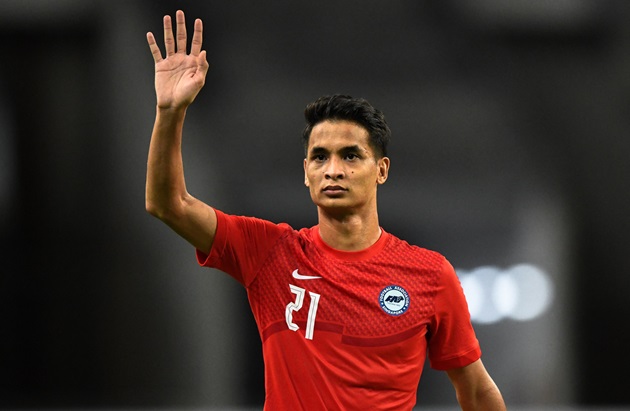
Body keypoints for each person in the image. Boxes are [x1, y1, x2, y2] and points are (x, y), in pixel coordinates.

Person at [145, 10, 507, 411]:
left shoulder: (430, 275)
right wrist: (170, 112)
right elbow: (168, 204)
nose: (333, 169)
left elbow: (476, 390)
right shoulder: (269, 253)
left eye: (350, 155)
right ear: (306, 172)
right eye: (320, 157)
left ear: (381, 170)